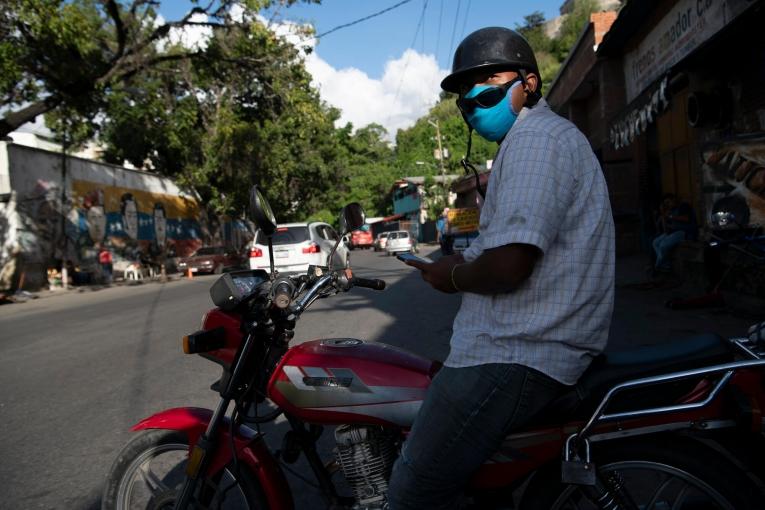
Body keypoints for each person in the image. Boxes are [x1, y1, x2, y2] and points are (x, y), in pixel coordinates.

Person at [387, 27, 615, 509]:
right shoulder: (533, 142)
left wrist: (450, 275)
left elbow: (510, 266)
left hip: (518, 354)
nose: (474, 96)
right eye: (464, 93)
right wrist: (459, 265)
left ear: (529, 82)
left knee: (412, 489)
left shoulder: (536, 140)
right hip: (530, 346)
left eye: (489, 78)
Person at [652, 193, 697, 273]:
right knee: (655, 242)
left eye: (669, 202)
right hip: (673, 231)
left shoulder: (683, 206)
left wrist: (671, 217)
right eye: (666, 203)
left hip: (684, 231)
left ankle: (657, 266)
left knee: (663, 245)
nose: (668, 205)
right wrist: (663, 215)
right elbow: (666, 229)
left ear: (674, 199)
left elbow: (686, 219)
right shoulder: (671, 210)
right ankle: (665, 264)